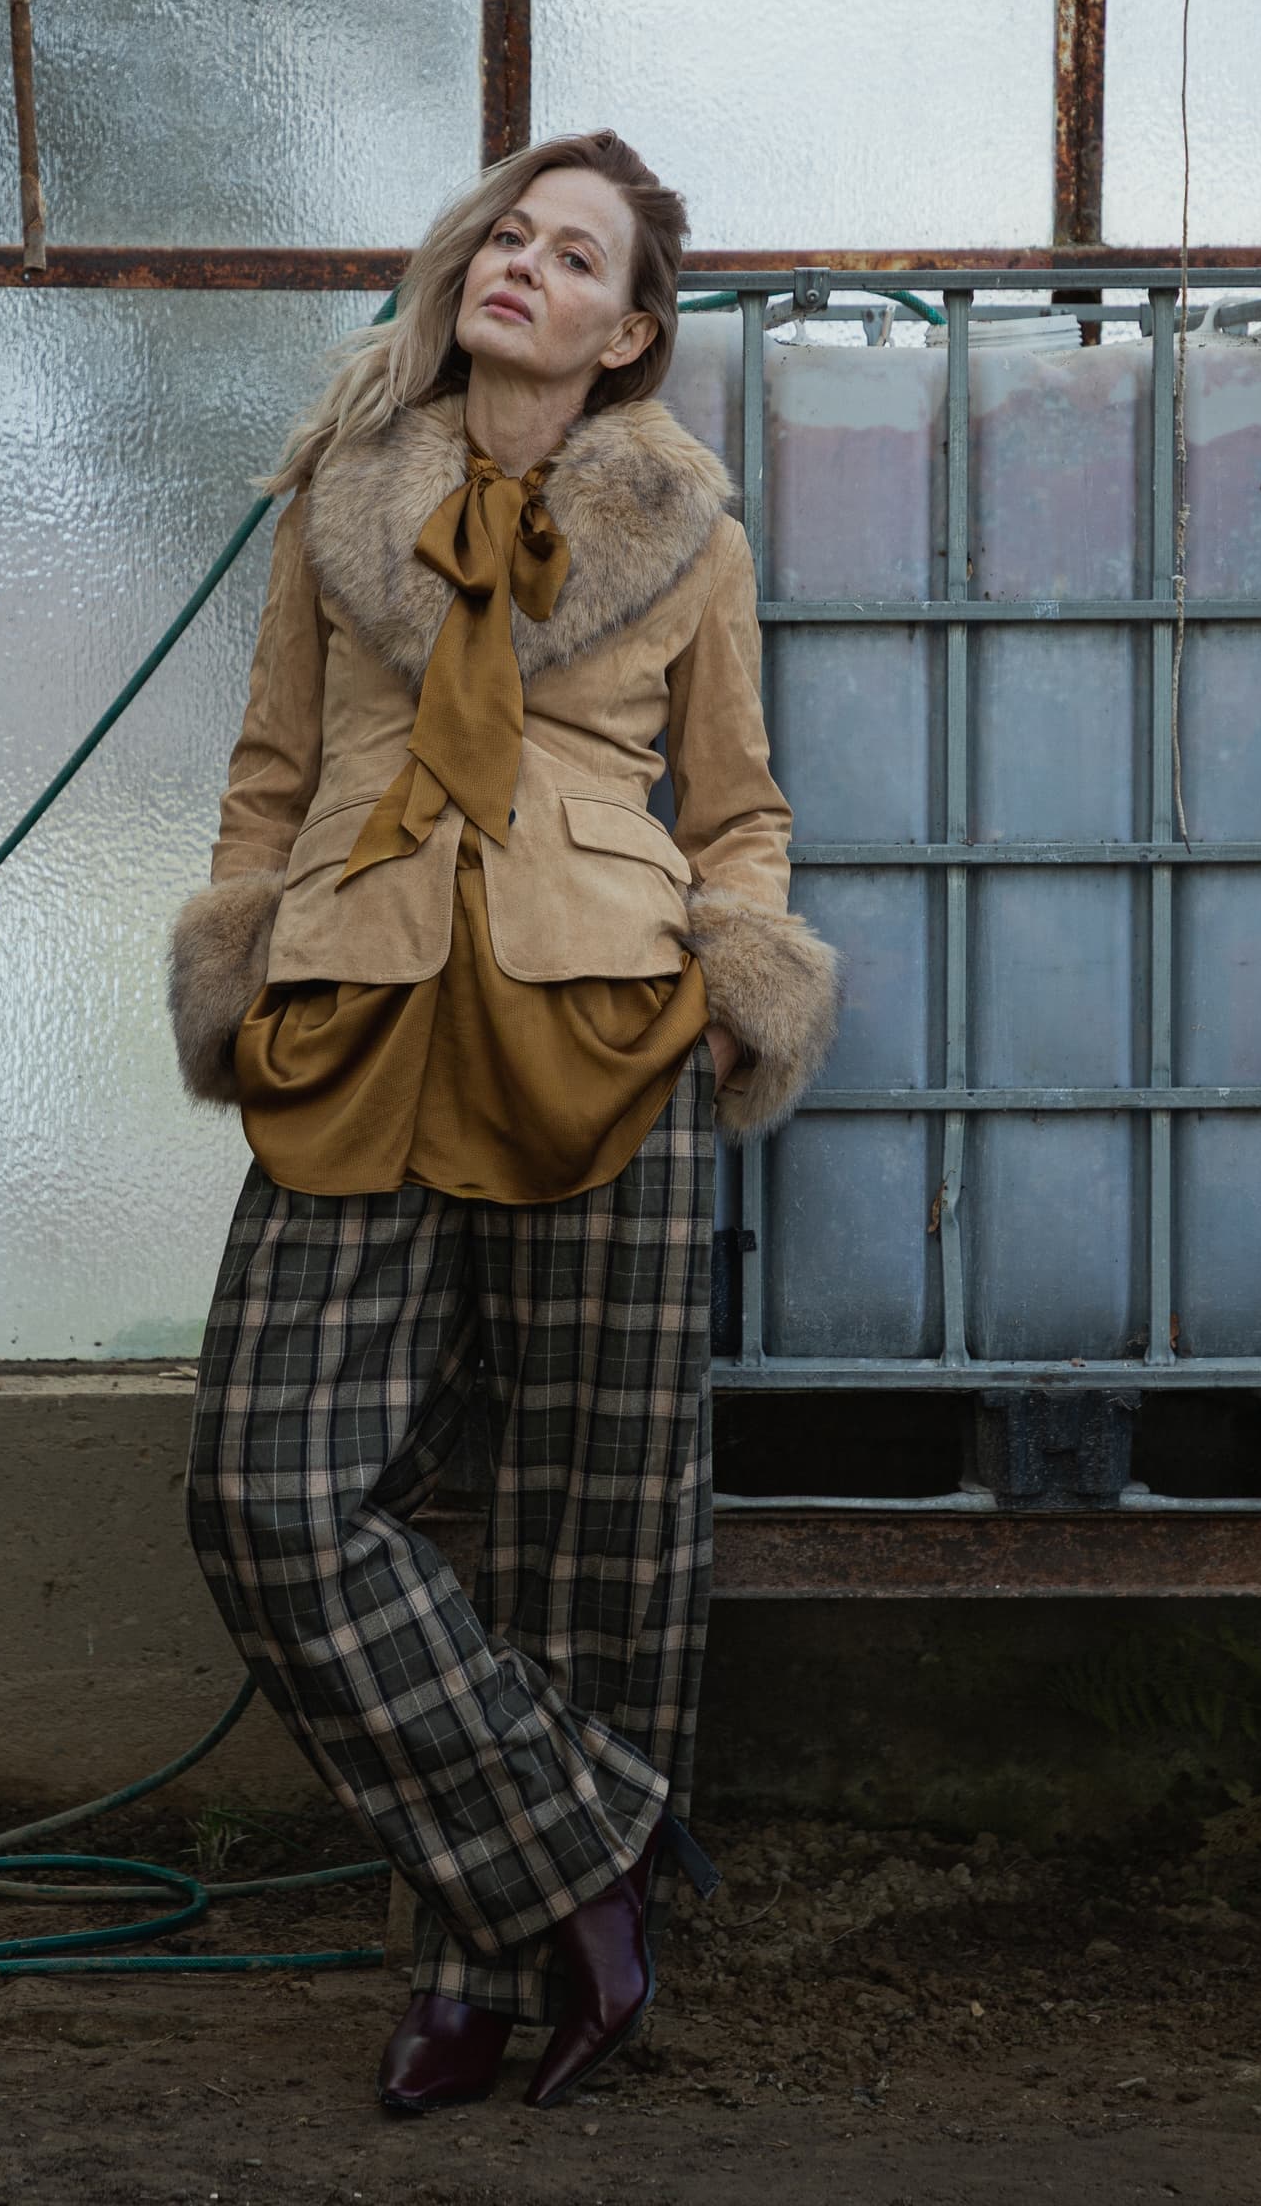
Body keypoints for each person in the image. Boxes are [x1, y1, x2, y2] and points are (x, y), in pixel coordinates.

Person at [167, 129, 840, 2114]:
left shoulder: (686, 539)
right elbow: (265, 779)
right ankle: (588, 1871)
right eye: (508, 234)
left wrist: (740, 974)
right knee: (264, 1488)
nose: (523, 268)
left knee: (592, 1525)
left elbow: (733, 807)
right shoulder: (333, 497)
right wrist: (245, 970)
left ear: (625, 331)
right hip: (358, 1008)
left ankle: (470, 1977)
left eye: (573, 256)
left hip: (601, 1016)